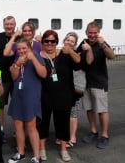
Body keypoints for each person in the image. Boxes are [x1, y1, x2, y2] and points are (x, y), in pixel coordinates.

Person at [37, 30, 80, 162]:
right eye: (46, 41)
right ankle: (42, 148)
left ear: (56, 42)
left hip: (63, 94)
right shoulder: (38, 55)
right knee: (43, 122)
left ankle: (63, 148)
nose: (50, 43)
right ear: (42, 42)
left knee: (62, 122)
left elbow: (78, 64)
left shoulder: (64, 54)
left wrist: (71, 51)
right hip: (44, 95)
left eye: (53, 41)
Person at [7, 38, 46, 163]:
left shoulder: (36, 56)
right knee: (18, 125)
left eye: (24, 48)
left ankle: (36, 156)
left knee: (31, 126)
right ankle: (21, 153)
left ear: (29, 47)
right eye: (19, 49)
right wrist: (17, 64)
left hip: (31, 96)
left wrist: (33, 59)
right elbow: (14, 77)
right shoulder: (18, 58)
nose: (21, 51)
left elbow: (43, 74)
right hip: (18, 95)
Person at [77, 21, 115, 149]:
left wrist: (102, 44)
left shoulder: (101, 44)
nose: (92, 35)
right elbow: (76, 57)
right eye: (90, 33)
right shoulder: (83, 42)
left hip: (99, 82)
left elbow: (112, 55)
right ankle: (93, 131)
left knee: (102, 110)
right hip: (86, 82)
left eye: (95, 33)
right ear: (86, 33)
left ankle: (104, 135)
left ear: (98, 33)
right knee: (89, 108)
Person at [55, 32, 86, 147]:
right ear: (64, 40)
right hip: (59, 89)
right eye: (68, 40)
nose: (69, 42)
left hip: (74, 89)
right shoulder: (58, 52)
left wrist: (71, 51)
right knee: (60, 114)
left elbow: (78, 63)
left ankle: (72, 137)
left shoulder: (75, 54)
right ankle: (61, 136)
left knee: (72, 113)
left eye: (72, 41)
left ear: (75, 44)